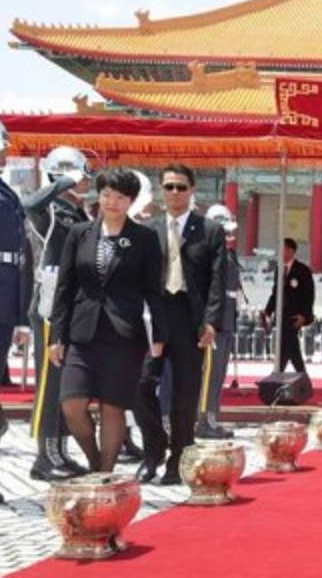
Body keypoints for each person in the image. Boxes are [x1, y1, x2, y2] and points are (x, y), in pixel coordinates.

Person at [50, 168, 168, 473]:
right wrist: (57, 336)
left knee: (112, 407)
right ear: (98, 196)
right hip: (82, 333)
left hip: (123, 335)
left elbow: (154, 290)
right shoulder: (79, 233)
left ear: (131, 201)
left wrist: (158, 335)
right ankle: (94, 462)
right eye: (106, 195)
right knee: (72, 405)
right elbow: (65, 287)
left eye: (120, 197)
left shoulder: (144, 238)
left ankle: (104, 476)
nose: (112, 202)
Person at [134, 164, 226, 485]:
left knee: (185, 395)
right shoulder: (147, 230)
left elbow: (217, 280)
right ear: (161, 190)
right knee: (140, 385)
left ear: (192, 190)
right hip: (154, 318)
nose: (175, 192)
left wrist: (212, 322)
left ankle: (179, 457)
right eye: (169, 186)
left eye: (181, 187)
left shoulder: (210, 230)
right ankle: (153, 449)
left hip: (190, 319)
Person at [23, 146, 93, 480]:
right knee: (50, 385)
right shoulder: (49, 209)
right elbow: (30, 204)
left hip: (72, 304)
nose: (87, 182)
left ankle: (60, 451)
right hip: (51, 303)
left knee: (66, 385)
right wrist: (64, 180)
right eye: (83, 176)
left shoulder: (77, 213)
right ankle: (44, 456)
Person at [0, 118, 33, 505]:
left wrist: (21, 314)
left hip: (3, 300)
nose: (5, 151)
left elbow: (20, 257)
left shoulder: (3, 190)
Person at [196, 203, 243, 440]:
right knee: (209, 375)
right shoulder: (207, 255)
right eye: (224, 231)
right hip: (214, 323)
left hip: (227, 321)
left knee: (218, 374)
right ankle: (203, 420)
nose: (228, 235)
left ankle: (212, 417)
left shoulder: (227, 253)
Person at [263, 239, 315, 374]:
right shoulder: (279, 269)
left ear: (291, 251)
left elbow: (309, 295)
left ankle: (282, 374)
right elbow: (275, 293)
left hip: (295, 316)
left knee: (290, 346)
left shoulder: (303, 270)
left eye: (283, 249)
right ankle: (284, 374)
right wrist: (267, 311)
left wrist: (304, 315)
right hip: (282, 315)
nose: (280, 252)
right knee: (288, 347)